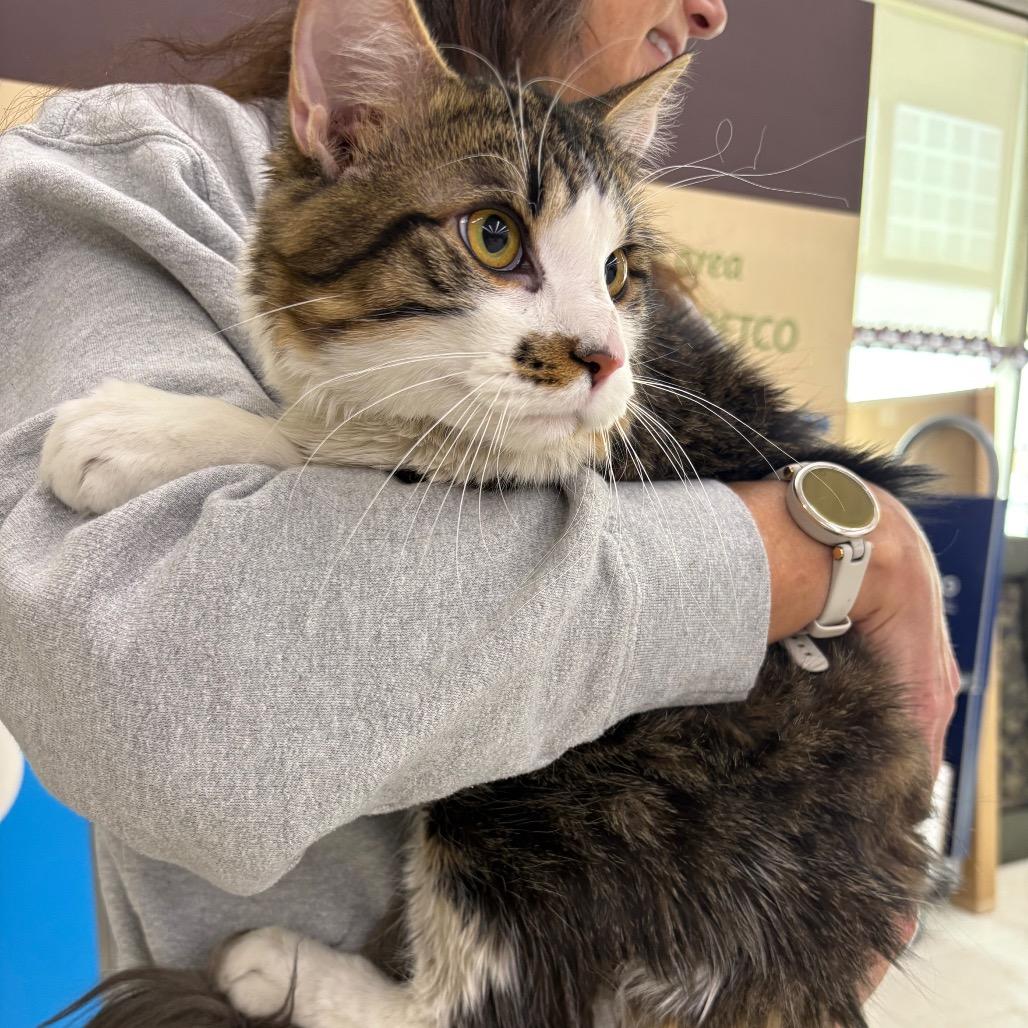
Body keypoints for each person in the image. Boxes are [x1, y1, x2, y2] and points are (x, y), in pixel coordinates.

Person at [0, 0, 956, 1008]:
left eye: (615, 270)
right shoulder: (143, 170)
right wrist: (801, 557)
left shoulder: (589, 301)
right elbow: (185, 716)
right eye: (498, 236)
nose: (713, 9)